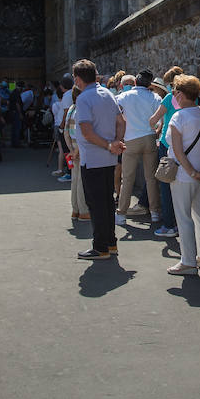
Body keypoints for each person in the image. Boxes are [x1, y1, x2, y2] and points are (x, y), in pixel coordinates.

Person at [70, 59, 126, 260]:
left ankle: (101, 246)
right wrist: (116, 142)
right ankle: (110, 243)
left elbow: (87, 131)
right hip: (108, 159)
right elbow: (121, 122)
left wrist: (110, 145)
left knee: (96, 203)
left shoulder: (83, 99)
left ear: (78, 79)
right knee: (107, 202)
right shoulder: (107, 94)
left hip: (93, 159)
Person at [163, 74, 200, 275]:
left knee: (184, 217)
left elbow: (177, 150)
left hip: (184, 176)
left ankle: (187, 261)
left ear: (180, 94)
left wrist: (192, 172)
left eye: (174, 92)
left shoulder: (178, 117)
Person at [114, 73, 164, 226]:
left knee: (127, 178)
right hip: (149, 137)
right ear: (150, 84)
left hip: (131, 138)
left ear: (135, 82)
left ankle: (121, 213)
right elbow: (161, 119)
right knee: (151, 178)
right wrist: (157, 132)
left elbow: (115, 113)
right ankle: (154, 212)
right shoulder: (155, 97)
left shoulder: (123, 96)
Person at [148, 66, 185, 237]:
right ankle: (181, 224)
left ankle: (169, 225)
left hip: (167, 144)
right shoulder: (192, 97)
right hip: (186, 144)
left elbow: (153, 119)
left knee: (166, 184)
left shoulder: (170, 97)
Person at [65, 87, 89, 221]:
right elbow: (82, 132)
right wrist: (77, 150)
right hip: (81, 146)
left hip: (73, 145)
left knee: (75, 180)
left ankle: (75, 210)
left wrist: (71, 149)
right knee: (82, 180)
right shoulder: (82, 109)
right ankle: (84, 211)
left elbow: (66, 130)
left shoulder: (71, 108)